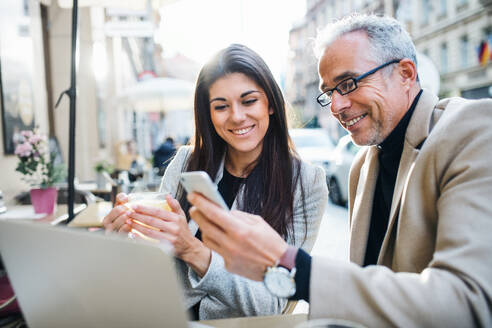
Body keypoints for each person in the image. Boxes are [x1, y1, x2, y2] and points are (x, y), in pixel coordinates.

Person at [187, 14, 492, 327]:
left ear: (405, 74)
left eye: (348, 84)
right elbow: (370, 295)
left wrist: (293, 266)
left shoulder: (473, 129)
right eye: (330, 91)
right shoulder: (363, 165)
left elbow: (469, 302)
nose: (335, 106)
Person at [102, 44, 328, 320]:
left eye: (248, 101)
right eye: (221, 106)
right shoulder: (186, 161)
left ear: (269, 103)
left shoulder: (306, 182)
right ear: (208, 113)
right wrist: (126, 242)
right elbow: (152, 267)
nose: (236, 116)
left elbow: (272, 304)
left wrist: (193, 250)